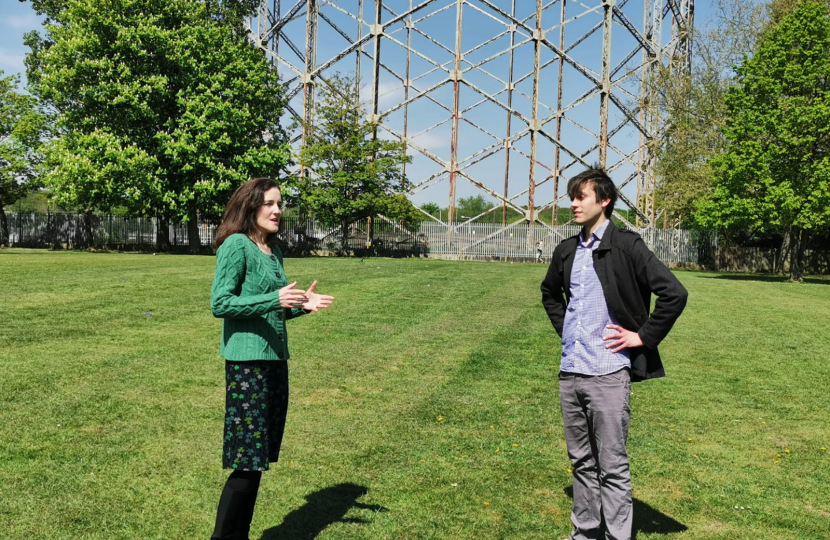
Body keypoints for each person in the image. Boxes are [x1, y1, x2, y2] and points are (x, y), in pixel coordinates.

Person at [540, 168, 687, 540]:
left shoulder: (627, 245)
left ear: (603, 201)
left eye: (581, 197)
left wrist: (643, 337)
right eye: (572, 197)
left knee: (612, 466)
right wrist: (568, 331)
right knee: (581, 463)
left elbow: (674, 293)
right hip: (571, 372)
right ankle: (585, 533)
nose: (573, 204)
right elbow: (549, 294)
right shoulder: (567, 249)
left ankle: (618, 536)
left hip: (608, 373)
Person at [209, 178, 334, 540]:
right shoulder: (236, 246)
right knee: (247, 461)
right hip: (248, 364)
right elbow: (220, 304)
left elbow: (275, 310)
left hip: (275, 362)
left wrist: (302, 306)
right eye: (269, 203)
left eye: (280, 204)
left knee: (258, 460)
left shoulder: (273, 252)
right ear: (250, 207)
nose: (278, 210)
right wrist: (275, 299)